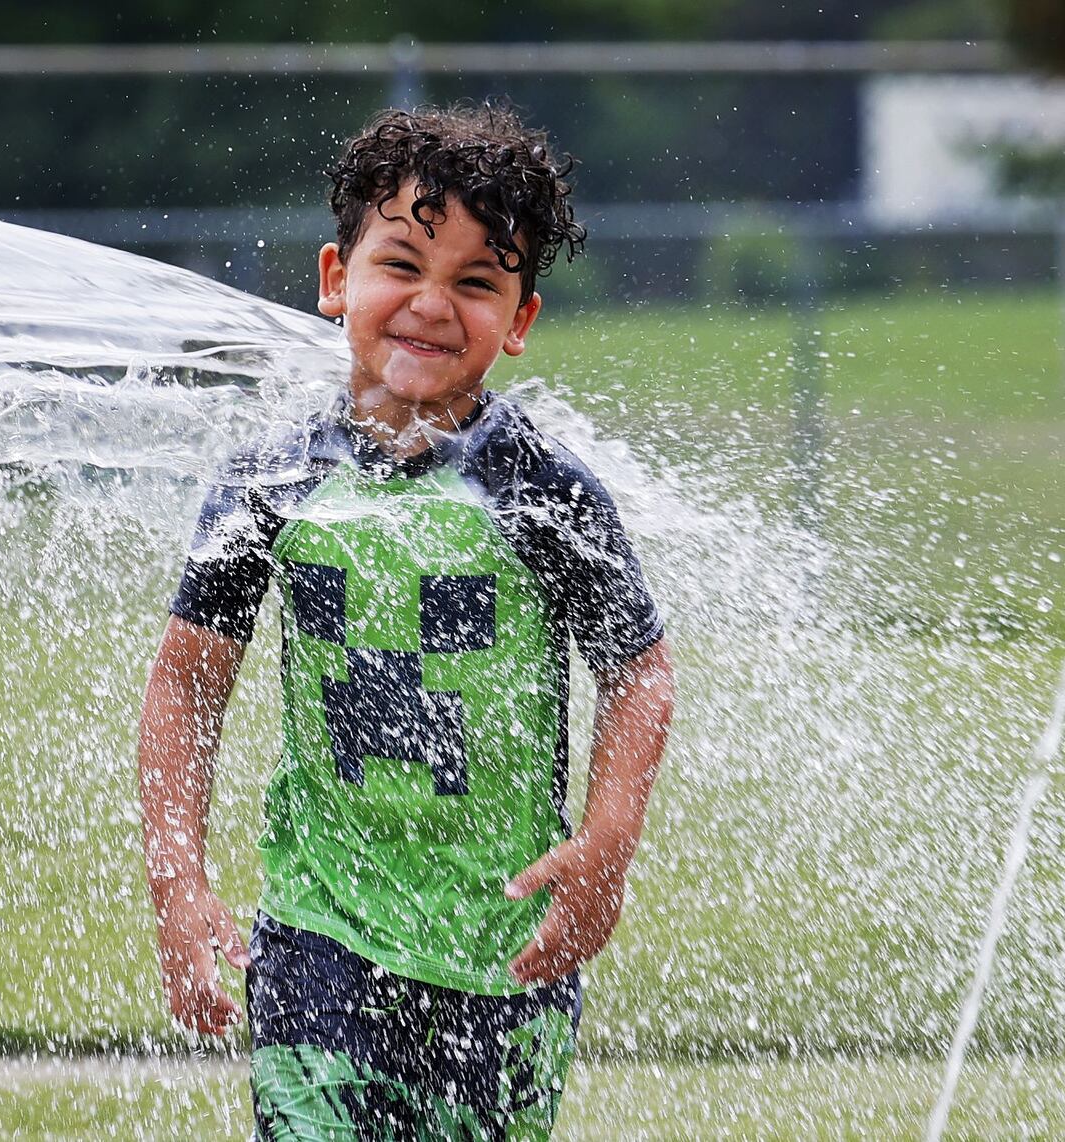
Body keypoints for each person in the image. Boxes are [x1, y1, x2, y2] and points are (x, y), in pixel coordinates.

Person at [138, 102, 675, 1141]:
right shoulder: (273, 480)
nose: (432, 304)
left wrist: (606, 845)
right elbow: (186, 679)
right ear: (337, 276)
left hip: (502, 947)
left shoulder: (542, 491)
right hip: (316, 935)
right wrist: (178, 878)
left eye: (477, 281)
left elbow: (638, 672)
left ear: (517, 320)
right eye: (404, 265)